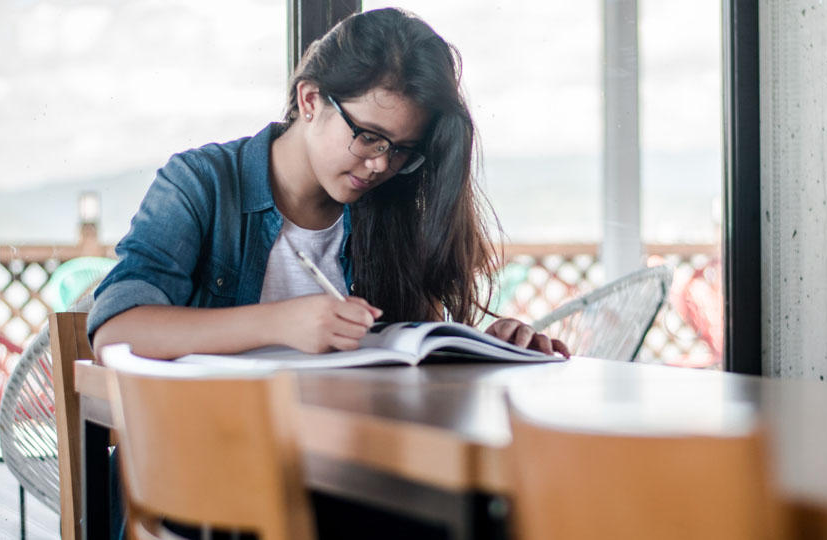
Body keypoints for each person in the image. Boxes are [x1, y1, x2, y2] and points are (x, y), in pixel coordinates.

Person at [89, 8, 569, 361]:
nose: (381, 164)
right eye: (369, 137)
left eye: (401, 149)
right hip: (202, 465)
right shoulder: (202, 184)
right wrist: (281, 321)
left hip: (338, 461)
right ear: (312, 99)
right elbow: (117, 330)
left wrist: (491, 346)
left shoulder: (389, 206)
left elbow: (411, 355)